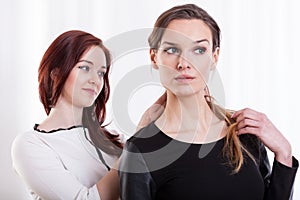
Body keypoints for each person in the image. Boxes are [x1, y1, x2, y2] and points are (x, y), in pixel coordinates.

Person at [119, 4, 298, 200]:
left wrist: (284, 154)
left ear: (214, 57)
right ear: (154, 57)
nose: (183, 63)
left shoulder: (245, 133)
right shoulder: (142, 151)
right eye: (171, 49)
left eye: (198, 50)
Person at [11, 30, 123, 200]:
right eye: (85, 68)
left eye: (101, 72)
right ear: (55, 73)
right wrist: (134, 152)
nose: (96, 80)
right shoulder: (31, 144)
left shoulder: (114, 139)